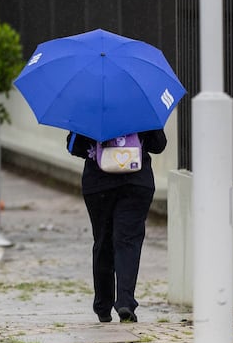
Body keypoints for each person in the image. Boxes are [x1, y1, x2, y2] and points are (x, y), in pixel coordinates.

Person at [66, 128, 167, 323]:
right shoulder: (141, 111)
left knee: (103, 241)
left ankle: (103, 306)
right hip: (136, 182)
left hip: (99, 185)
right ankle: (125, 302)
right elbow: (158, 145)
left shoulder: (89, 112)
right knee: (128, 241)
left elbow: (74, 147)